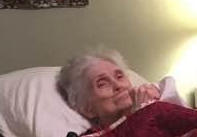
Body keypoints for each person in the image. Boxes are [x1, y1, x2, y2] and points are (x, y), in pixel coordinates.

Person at [57, 48, 185, 129]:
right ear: (88, 109)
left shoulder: (160, 100)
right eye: (102, 84)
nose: (117, 85)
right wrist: (142, 115)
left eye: (119, 76)